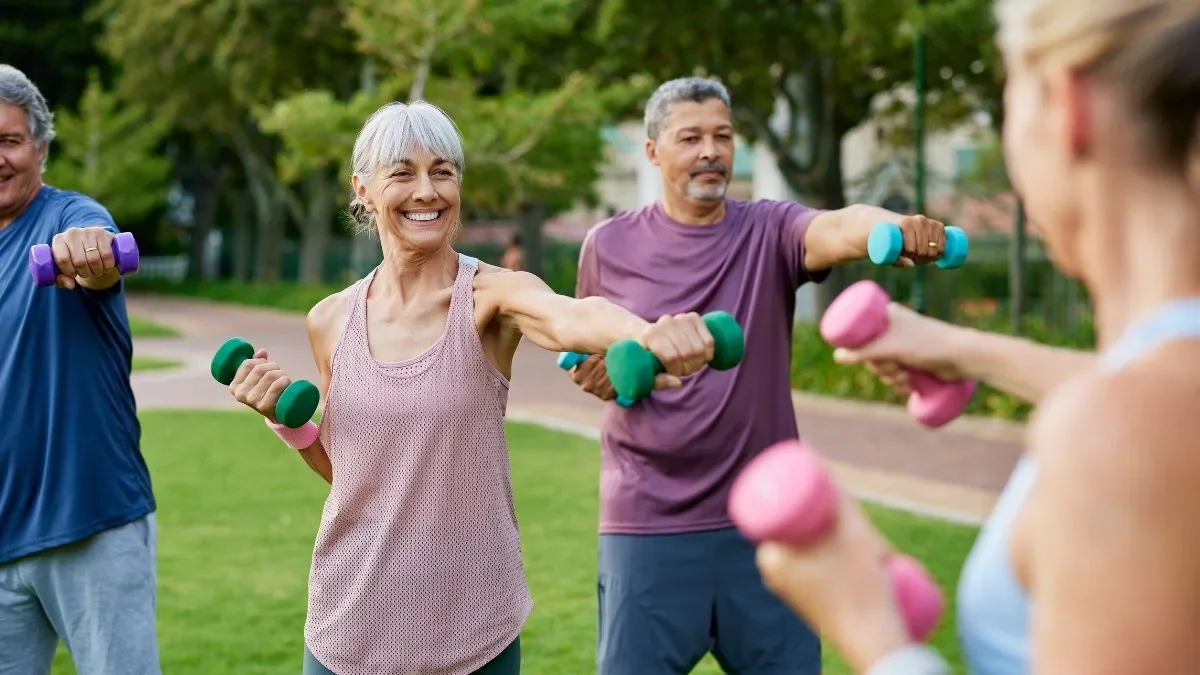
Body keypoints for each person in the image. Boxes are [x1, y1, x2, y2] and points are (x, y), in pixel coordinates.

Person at [751, 1, 1200, 673]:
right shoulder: (1156, 396)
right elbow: (1153, 384)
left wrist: (869, 627)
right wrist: (963, 349)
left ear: (1066, 106)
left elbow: (1136, 419)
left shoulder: (1120, 438)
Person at [225, 100, 716, 675]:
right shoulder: (330, 320)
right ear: (362, 189)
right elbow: (354, 471)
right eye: (402, 173)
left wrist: (651, 334)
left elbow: (572, 317)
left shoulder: (492, 296)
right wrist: (288, 421)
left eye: (443, 171)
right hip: (348, 624)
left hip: (473, 626)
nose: (427, 191)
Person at [564, 75, 951, 675]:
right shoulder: (607, 245)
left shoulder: (769, 230)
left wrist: (894, 226)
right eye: (690, 138)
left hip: (770, 522)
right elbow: (589, 357)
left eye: (722, 136)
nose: (711, 152)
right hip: (648, 521)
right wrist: (600, 374)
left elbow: (836, 227)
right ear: (652, 151)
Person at [0, 65, 160, 673]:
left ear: (40, 147)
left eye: (9, 141)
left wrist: (91, 252)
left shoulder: (68, 216)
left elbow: (97, 255)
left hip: (89, 523)